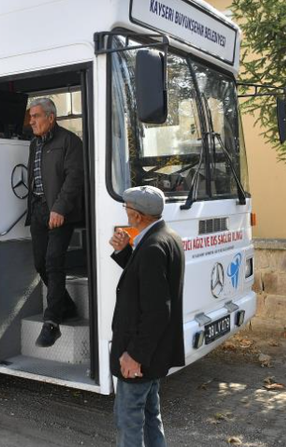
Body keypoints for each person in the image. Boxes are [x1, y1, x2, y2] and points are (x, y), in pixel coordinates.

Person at [108, 186, 185, 447]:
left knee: (128, 420)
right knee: (152, 416)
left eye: (127, 208)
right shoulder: (167, 236)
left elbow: (156, 311)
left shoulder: (152, 247)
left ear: (138, 215)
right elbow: (145, 283)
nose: (125, 213)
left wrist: (135, 355)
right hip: (155, 354)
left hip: (141, 357)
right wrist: (124, 253)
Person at [25, 97, 84, 347]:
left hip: (60, 212)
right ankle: (67, 306)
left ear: (51, 117)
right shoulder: (33, 144)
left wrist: (59, 208)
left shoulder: (70, 142)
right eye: (30, 117)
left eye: (36, 116)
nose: (31, 122)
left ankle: (52, 322)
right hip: (39, 210)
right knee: (40, 263)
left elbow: (74, 179)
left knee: (53, 261)